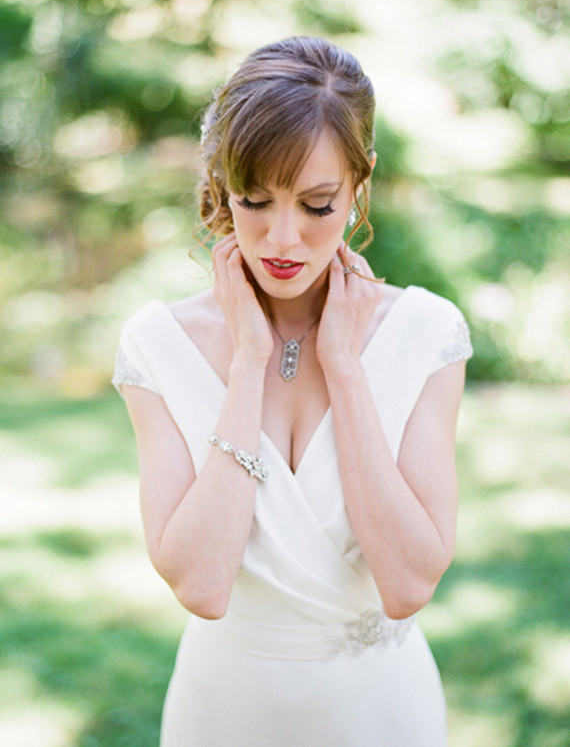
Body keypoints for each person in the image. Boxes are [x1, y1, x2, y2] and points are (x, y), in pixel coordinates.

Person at [112, 36, 473, 746]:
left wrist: (344, 366)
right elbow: (202, 585)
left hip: (381, 714)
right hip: (224, 713)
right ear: (223, 183)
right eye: (256, 200)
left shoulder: (427, 333)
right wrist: (249, 363)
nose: (282, 238)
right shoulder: (158, 344)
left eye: (317, 205)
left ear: (359, 182)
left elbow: (408, 585)